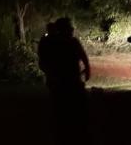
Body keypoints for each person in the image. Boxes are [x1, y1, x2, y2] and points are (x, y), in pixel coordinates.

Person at [37, 17, 92, 145]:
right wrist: (87, 70)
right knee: (69, 112)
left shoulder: (55, 43)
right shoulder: (63, 43)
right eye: (69, 27)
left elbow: (42, 62)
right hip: (66, 82)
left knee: (65, 112)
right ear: (63, 29)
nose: (72, 29)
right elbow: (83, 57)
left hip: (65, 82)